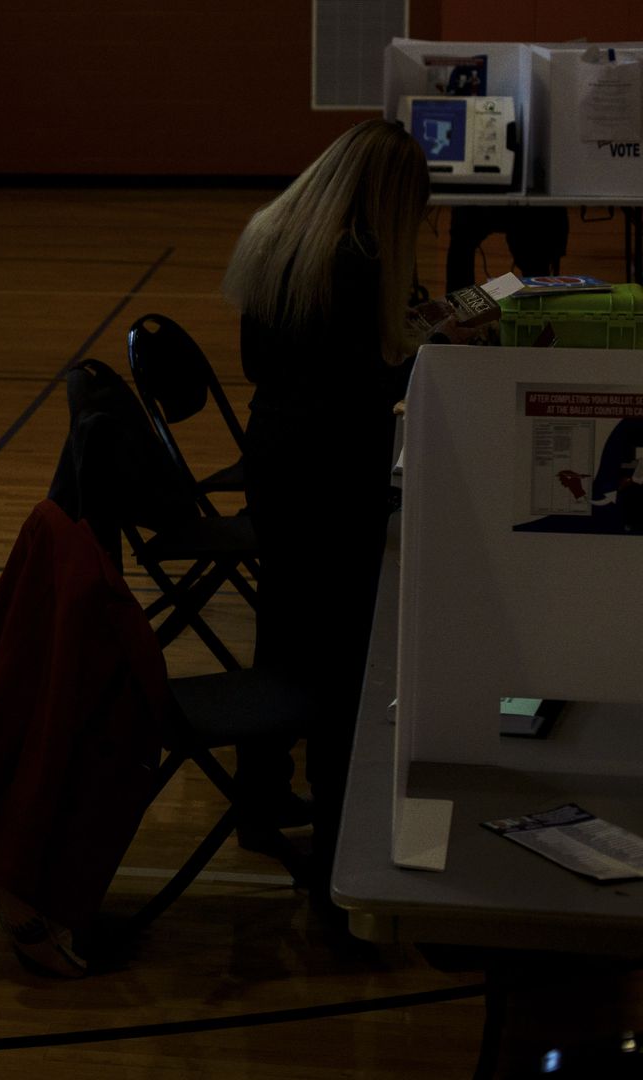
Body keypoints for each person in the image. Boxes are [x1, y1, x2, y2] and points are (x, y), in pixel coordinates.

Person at [218, 119, 429, 913]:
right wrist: (424, 347)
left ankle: (260, 794)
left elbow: (267, 367)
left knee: (282, 625)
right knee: (342, 667)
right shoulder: (355, 261)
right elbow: (366, 392)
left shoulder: (279, 235)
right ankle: (338, 870)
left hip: (275, 459)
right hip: (332, 473)